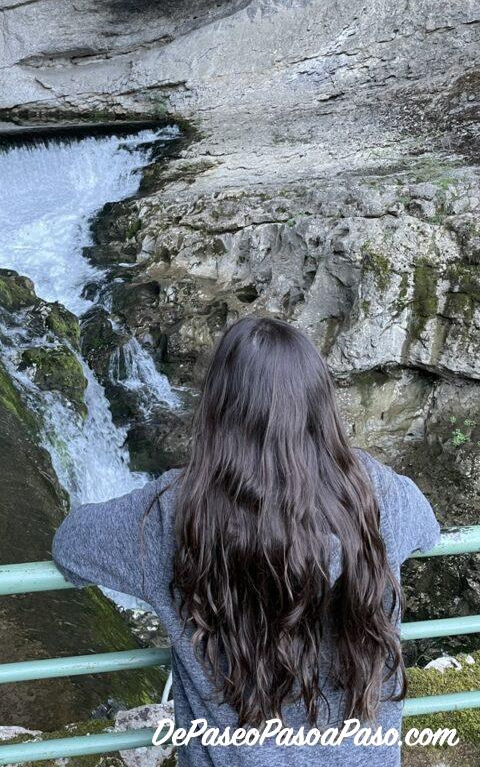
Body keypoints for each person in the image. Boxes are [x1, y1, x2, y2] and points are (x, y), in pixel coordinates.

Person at [52, 316, 441, 765]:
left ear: (219, 410)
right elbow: (428, 531)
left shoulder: (174, 513)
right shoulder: (380, 493)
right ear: (321, 408)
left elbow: (70, 545)